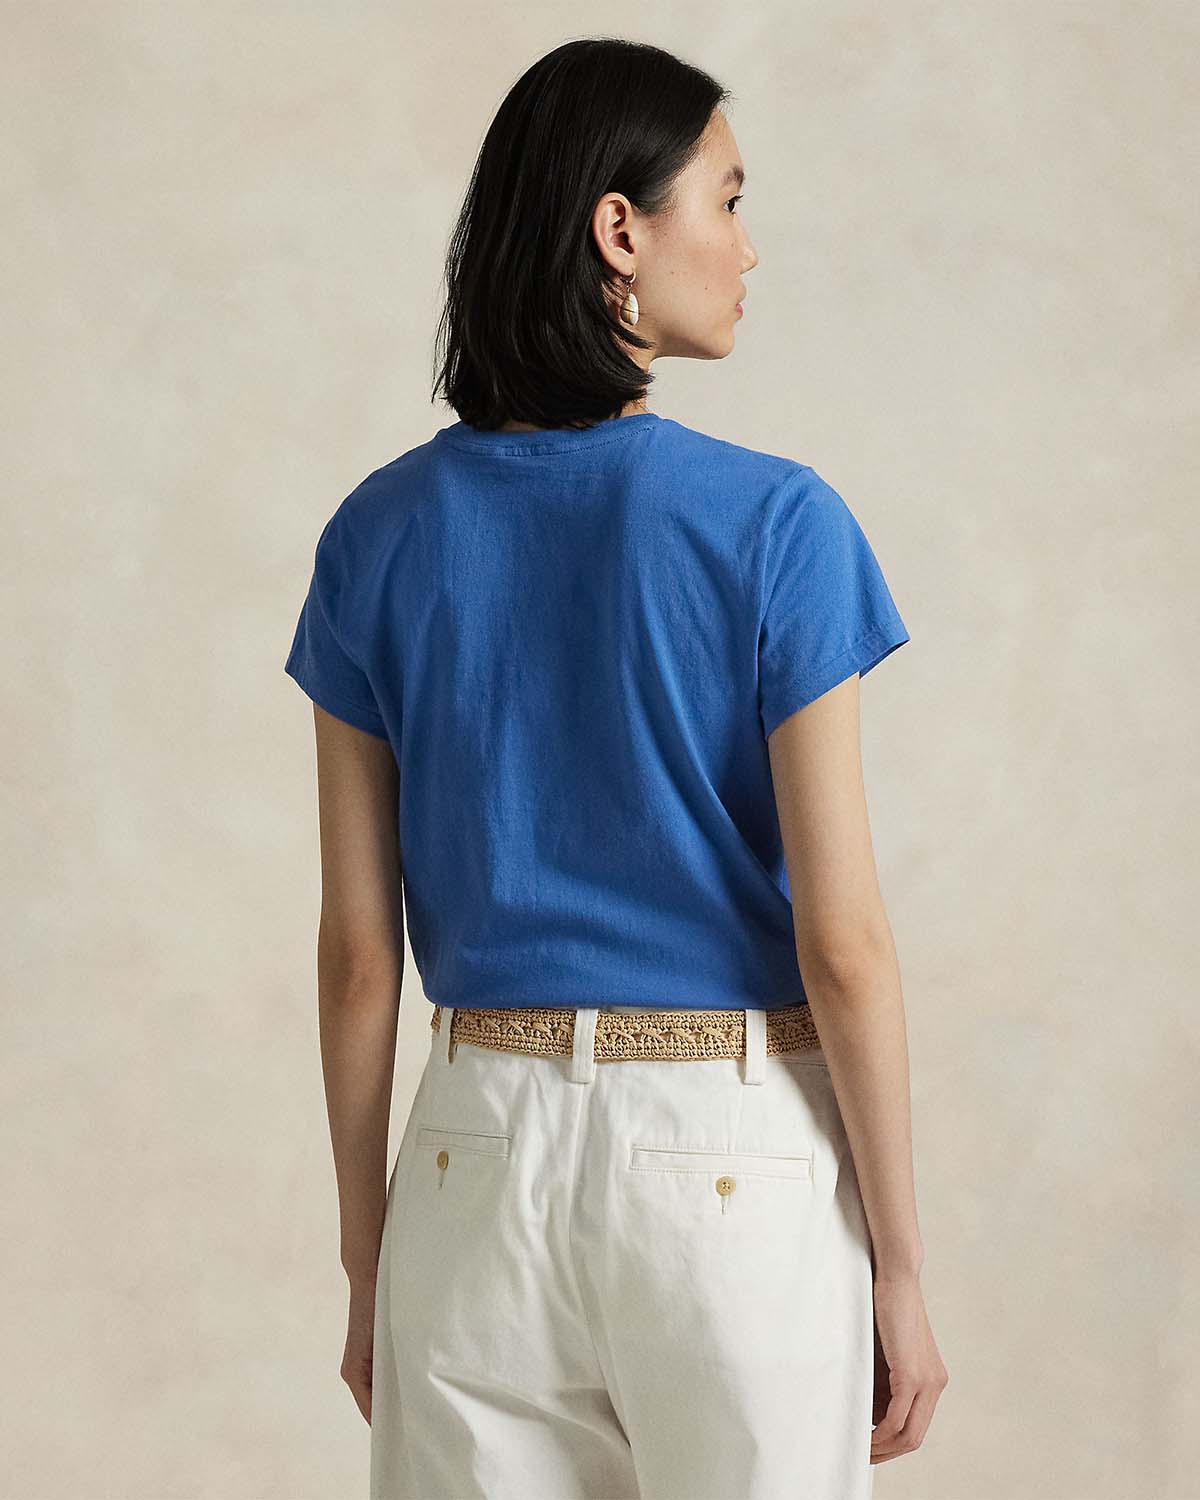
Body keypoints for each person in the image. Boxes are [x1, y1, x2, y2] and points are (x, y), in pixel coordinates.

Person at [284, 36, 947, 1500]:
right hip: (729, 1159)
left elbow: (358, 959)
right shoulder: (775, 525)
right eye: (729, 198)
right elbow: (843, 943)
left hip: (468, 1163)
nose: (749, 246)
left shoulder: (376, 536)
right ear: (620, 231)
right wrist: (901, 1267)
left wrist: (369, 1263)